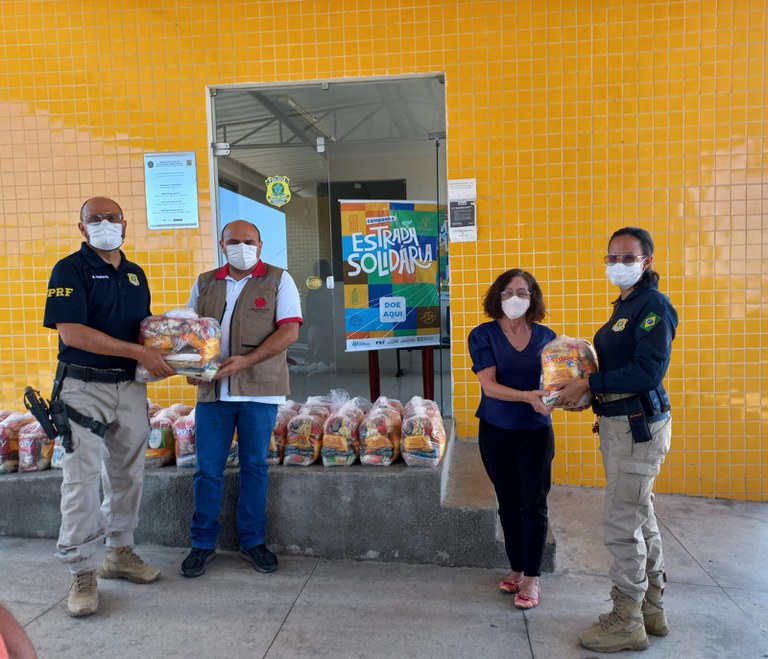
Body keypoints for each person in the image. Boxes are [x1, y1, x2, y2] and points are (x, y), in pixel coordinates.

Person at [43, 197, 175, 617]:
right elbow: (74, 333)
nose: (105, 224)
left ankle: (119, 552)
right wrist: (139, 352)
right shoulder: (70, 269)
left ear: (125, 225)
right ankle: (81, 570)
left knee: (127, 473)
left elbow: (147, 329)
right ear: (81, 228)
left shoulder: (135, 275)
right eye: (94, 219)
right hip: (83, 388)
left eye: (112, 218)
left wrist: (182, 355)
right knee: (80, 478)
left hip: (130, 389)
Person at [557, 227, 677, 653]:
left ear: (646, 261)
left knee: (621, 524)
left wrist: (593, 381)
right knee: (640, 514)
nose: (617, 265)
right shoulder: (626, 304)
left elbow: (648, 372)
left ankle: (625, 620)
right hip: (621, 423)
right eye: (611, 257)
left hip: (636, 426)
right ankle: (651, 609)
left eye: (627, 257)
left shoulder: (653, 307)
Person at [181, 220, 302, 578]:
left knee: (254, 467)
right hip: (213, 391)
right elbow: (188, 331)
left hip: (260, 390)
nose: (242, 247)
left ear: (260, 246)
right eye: (233, 242)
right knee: (207, 469)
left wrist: (246, 361)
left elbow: (289, 330)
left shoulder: (279, 279)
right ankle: (202, 543)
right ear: (222, 245)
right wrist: (188, 364)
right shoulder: (205, 282)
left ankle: (252, 541)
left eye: (249, 241)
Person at [467, 269, 556, 610]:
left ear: (533, 298)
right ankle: (517, 566)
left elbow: (556, 384)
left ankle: (533, 576)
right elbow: (488, 386)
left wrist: (556, 398)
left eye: (522, 292)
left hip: (535, 433)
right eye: (507, 292)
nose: (514, 299)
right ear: (496, 297)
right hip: (496, 430)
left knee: (534, 504)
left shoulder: (548, 338)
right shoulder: (483, 335)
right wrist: (528, 397)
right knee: (507, 502)